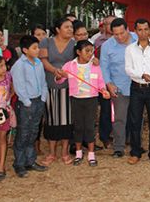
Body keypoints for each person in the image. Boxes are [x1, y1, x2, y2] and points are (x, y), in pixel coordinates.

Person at [58, 40, 109, 167]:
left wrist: (103, 90)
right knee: (78, 126)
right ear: (78, 52)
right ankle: (78, 153)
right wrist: (60, 76)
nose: (90, 53)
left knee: (90, 126)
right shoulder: (70, 65)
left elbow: (100, 81)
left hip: (91, 99)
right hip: (76, 99)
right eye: (87, 51)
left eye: (91, 51)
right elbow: (59, 79)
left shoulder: (95, 65)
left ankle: (91, 154)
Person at [124, 18, 150, 165]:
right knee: (135, 121)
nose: (143, 32)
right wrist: (141, 75)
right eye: (140, 29)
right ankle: (135, 152)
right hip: (136, 87)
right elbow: (128, 69)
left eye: (146, 29)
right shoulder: (129, 49)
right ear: (135, 31)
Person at [39, 17, 76, 165]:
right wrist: (55, 71)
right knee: (51, 120)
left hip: (68, 87)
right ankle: (52, 153)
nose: (70, 30)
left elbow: (78, 63)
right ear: (57, 29)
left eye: (71, 27)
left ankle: (65, 152)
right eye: (67, 27)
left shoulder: (74, 44)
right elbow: (43, 60)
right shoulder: (46, 42)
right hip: (50, 86)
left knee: (67, 120)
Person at [101, 18, 138, 158]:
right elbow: (104, 67)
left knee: (137, 118)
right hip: (119, 87)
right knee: (119, 119)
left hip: (137, 85)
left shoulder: (138, 39)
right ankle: (118, 148)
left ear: (128, 29)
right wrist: (109, 83)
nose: (119, 37)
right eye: (115, 34)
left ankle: (136, 145)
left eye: (122, 33)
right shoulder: (107, 46)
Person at [11, 35, 48, 177]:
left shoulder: (38, 63)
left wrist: (43, 97)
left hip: (39, 100)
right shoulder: (19, 66)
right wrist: (27, 102)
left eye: (38, 47)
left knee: (34, 132)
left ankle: (30, 161)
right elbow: (19, 86)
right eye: (34, 48)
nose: (38, 50)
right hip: (26, 103)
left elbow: (43, 81)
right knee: (23, 133)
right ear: (25, 50)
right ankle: (19, 164)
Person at [92, 15, 115, 149]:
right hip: (103, 80)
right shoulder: (97, 41)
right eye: (107, 24)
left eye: (113, 24)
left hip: (120, 79)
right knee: (106, 110)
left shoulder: (124, 39)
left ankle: (121, 136)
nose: (110, 27)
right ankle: (105, 137)